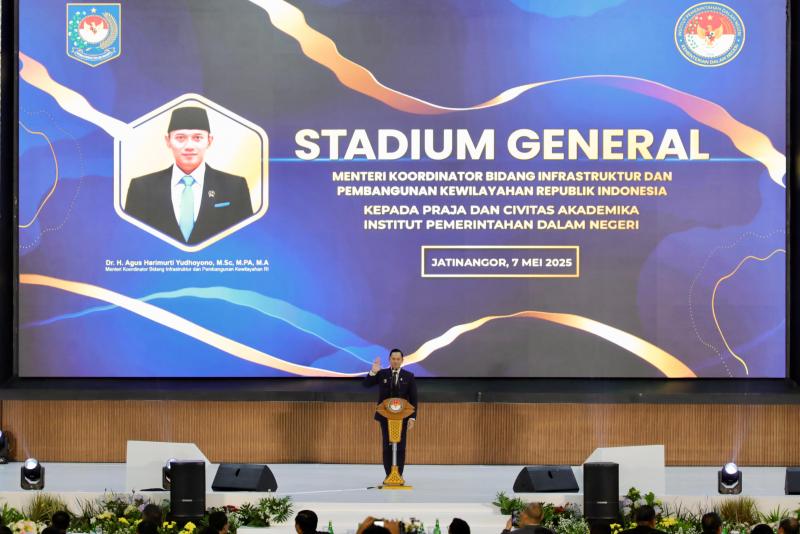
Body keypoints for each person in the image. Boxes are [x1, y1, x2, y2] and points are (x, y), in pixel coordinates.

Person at [125, 107, 253, 245]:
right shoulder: (142, 188)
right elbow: (130, 241)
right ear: (168, 141)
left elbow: (247, 241)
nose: (189, 146)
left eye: (197, 138)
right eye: (180, 138)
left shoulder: (234, 186)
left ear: (209, 141)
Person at [363, 348, 418, 477]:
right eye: (393, 359)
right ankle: (389, 475)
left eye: (398, 359)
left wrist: (412, 418)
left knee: (400, 446)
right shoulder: (382, 374)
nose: (395, 361)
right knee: (387, 446)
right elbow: (366, 384)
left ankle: (398, 475)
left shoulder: (409, 376)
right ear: (389, 360)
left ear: (402, 360)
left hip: (403, 417)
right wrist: (373, 372)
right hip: (385, 416)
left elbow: (413, 398)